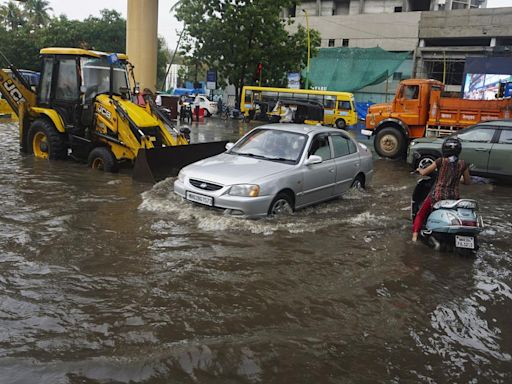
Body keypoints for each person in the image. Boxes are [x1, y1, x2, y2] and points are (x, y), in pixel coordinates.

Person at [412, 137, 471, 242]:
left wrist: (419, 169)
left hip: (438, 196)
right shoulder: (463, 164)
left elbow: (425, 172)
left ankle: (414, 237)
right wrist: (458, 178)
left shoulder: (440, 161)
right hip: (454, 198)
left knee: (420, 214)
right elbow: (467, 182)